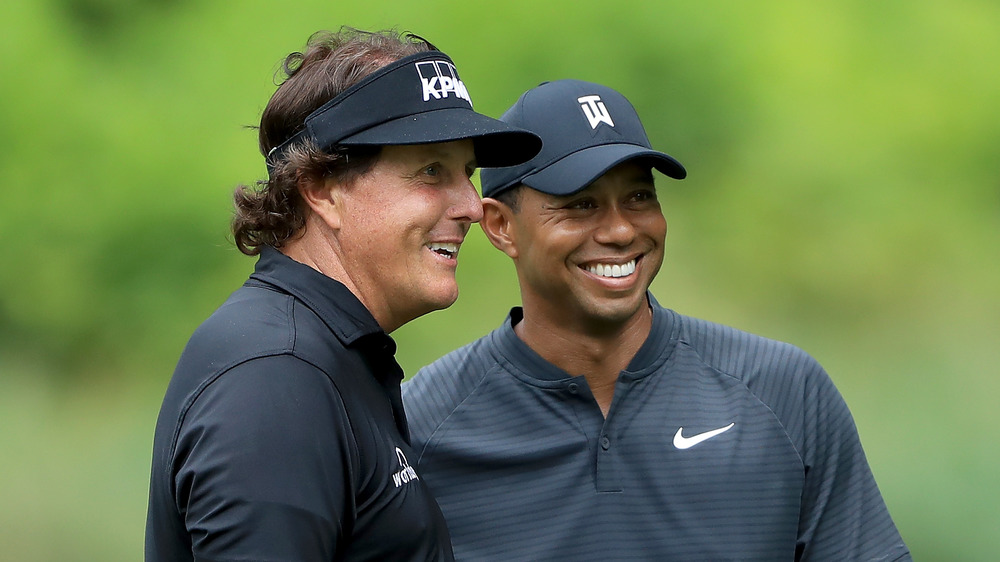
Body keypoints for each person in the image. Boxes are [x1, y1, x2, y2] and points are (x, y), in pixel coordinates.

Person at [402, 79, 911, 561]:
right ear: (500, 226)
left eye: (640, 197)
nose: (622, 229)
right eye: (580, 204)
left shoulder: (783, 392)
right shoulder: (419, 427)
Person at [144, 28, 541, 561]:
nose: (471, 205)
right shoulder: (276, 380)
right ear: (322, 189)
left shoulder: (322, 354)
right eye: (431, 171)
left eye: (467, 173)